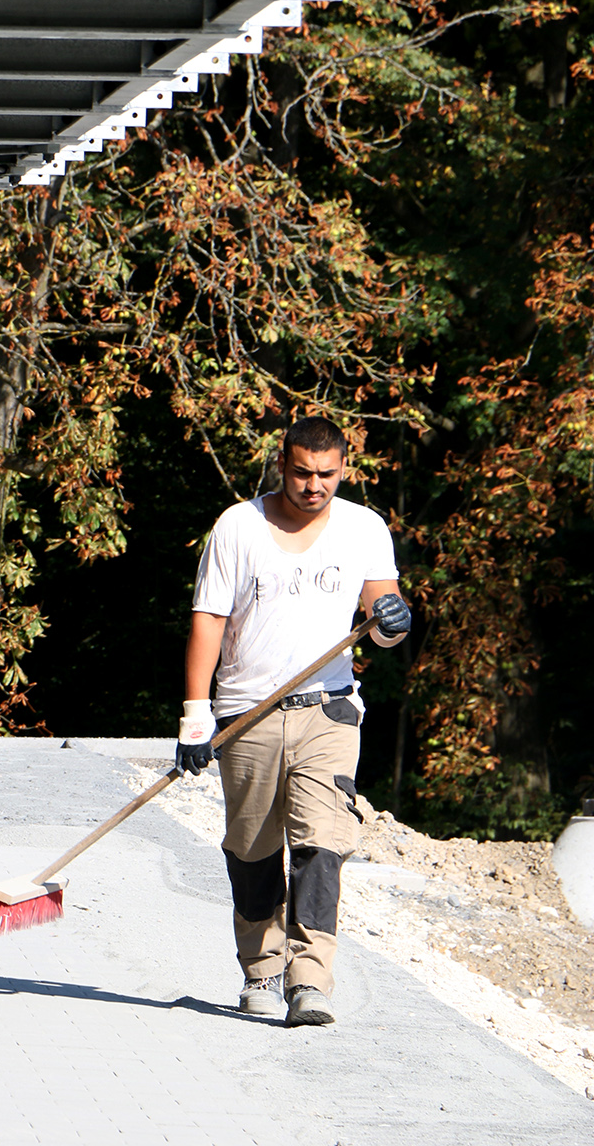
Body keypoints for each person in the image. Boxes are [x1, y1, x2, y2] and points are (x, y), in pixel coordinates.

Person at [175, 416, 411, 1027]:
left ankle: (310, 982)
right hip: (247, 711)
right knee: (253, 851)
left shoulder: (364, 528)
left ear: (344, 469)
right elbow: (209, 620)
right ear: (282, 464)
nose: (314, 486)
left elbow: (382, 623)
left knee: (321, 847)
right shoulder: (239, 527)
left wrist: (392, 619)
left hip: (329, 710)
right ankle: (260, 970)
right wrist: (196, 714)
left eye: (326, 475)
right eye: (303, 472)